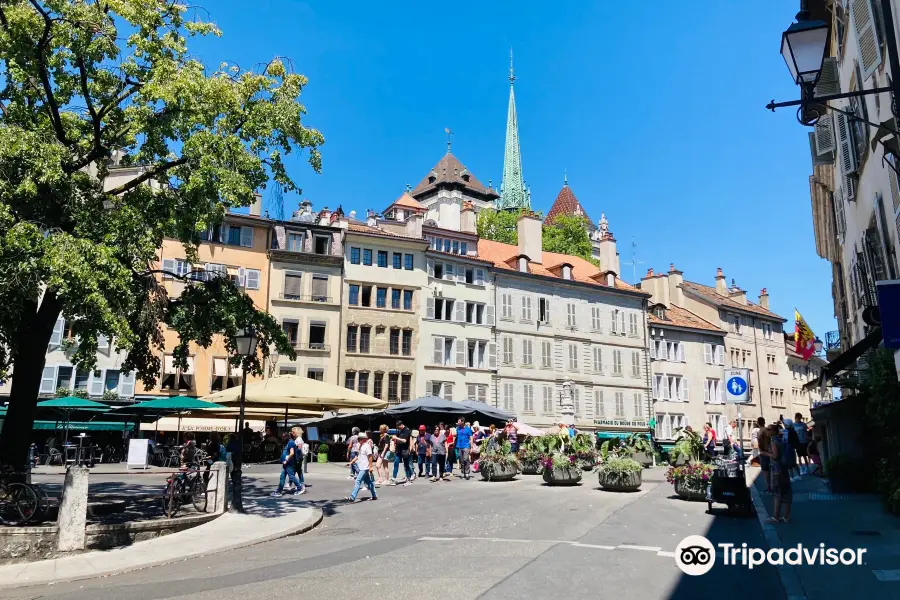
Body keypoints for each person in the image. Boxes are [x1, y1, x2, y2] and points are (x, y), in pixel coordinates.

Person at [761, 424, 792, 524]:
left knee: (777, 493)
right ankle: (787, 517)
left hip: (777, 470)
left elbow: (775, 456)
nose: (767, 431)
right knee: (786, 492)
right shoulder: (782, 440)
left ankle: (776, 517)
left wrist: (765, 453)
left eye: (769, 429)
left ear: (774, 431)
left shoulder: (774, 441)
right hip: (784, 468)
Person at [271, 427, 305, 496]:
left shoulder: (291, 442)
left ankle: (299, 487)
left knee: (292, 476)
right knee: (283, 476)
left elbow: (293, 452)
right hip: (287, 462)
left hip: (289, 463)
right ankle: (279, 490)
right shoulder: (290, 442)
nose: (282, 438)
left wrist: (287, 459)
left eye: (283, 437)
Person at [346, 432, 377, 503]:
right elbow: (357, 456)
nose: (358, 440)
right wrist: (350, 463)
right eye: (358, 439)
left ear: (364, 439)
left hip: (365, 467)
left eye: (359, 439)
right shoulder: (360, 446)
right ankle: (374, 495)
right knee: (369, 482)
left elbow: (370, 457)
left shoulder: (367, 446)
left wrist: (371, 467)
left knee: (358, 481)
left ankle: (352, 497)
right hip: (361, 467)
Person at [390, 421, 413, 486]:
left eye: (398, 426)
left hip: (405, 450)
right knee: (396, 463)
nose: (398, 428)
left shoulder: (406, 430)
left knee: (406, 465)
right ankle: (394, 478)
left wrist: (396, 438)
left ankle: (408, 479)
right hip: (398, 450)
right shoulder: (399, 431)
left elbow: (404, 440)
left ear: (401, 425)